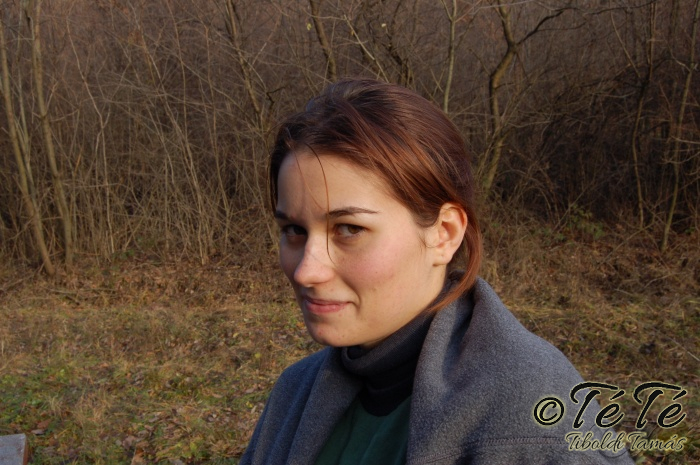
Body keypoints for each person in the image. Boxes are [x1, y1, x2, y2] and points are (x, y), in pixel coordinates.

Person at [240, 79, 634, 465]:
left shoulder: (532, 414)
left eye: (349, 229)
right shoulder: (295, 393)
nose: (306, 271)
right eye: (294, 230)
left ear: (444, 234)